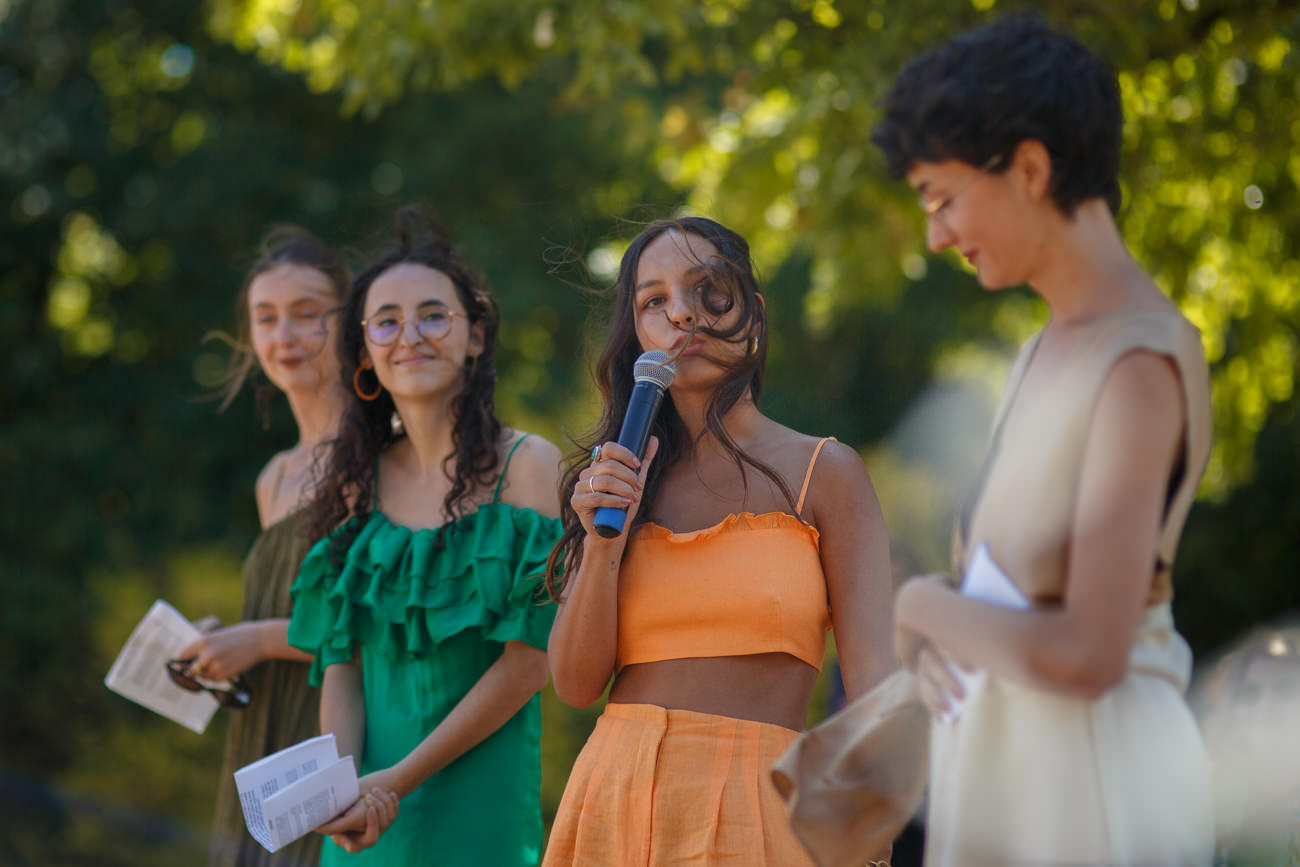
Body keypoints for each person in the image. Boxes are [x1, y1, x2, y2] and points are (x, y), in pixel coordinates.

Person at [872, 13, 1214, 865]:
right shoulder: (1040, 352)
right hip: (1008, 784)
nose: (937, 236)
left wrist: (918, 605)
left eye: (943, 199)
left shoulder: (1138, 362)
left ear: (1030, 167)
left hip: (1098, 794)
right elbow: (1010, 600)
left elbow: (1089, 650)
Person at [542, 217, 895, 866]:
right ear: (638, 335)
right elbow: (574, 682)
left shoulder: (824, 471)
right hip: (611, 800)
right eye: (654, 301)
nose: (682, 314)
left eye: (708, 289)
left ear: (753, 314)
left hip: (759, 810)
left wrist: (872, 832)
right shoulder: (617, 480)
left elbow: (874, 676)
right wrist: (599, 545)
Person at [286, 207, 562, 865]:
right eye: (386, 320)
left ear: (475, 335)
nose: (409, 334)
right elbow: (342, 669)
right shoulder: (357, 483)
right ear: (364, 352)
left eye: (433, 315)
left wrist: (396, 782)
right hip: (365, 824)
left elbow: (530, 662)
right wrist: (345, 790)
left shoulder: (529, 465)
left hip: (478, 817)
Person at [183, 227, 350, 867]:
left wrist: (255, 640)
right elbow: (293, 612)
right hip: (262, 743)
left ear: (350, 322)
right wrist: (223, 645)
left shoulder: (385, 457)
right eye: (266, 318)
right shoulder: (273, 476)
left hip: (333, 738)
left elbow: (381, 630)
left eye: (308, 315)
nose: (285, 337)